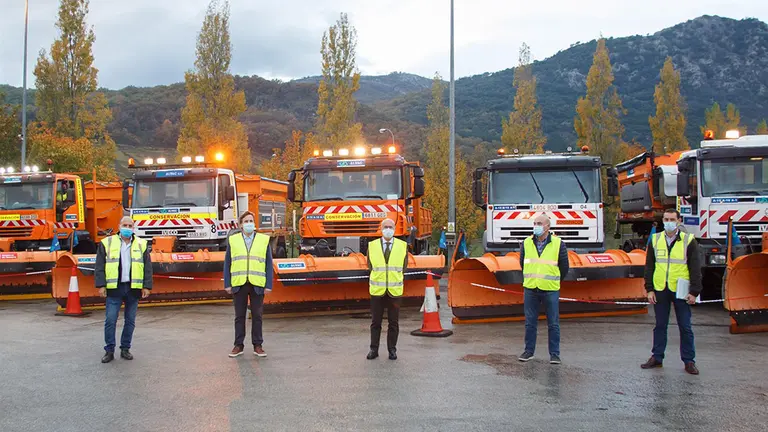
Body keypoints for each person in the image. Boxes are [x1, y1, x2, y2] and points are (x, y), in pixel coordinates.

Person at [640, 208, 701, 375]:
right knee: (660, 325)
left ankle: (689, 361)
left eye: (672, 219)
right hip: (660, 288)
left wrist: (694, 291)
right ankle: (657, 357)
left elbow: (695, 268)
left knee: (685, 326)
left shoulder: (689, 241)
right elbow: (649, 266)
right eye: (666, 219)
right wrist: (649, 289)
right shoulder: (655, 239)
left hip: (681, 289)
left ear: (679, 221)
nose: (668, 222)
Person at [94, 216, 152, 363]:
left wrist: (146, 286)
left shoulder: (141, 244)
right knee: (110, 320)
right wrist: (101, 285)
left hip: (133, 288)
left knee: (130, 321)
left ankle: (125, 349)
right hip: (115, 288)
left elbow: (147, 267)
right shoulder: (107, 243)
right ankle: (109, 350)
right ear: (119, 226)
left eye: (130, 225)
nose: (127, 228)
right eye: (124, 225)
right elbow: (99, 266)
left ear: (133, 228)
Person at [518, 214, 569, 364]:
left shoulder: (559, 244)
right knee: (530, 322)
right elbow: (523, 263)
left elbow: (564, 267)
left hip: (550, 289)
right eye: (534, 223)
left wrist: (554, 280)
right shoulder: (526, 243)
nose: (536, 226)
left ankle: (554, 354)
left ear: (548, 226)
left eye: (539, 223)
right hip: (531, 288)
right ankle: (529, 351)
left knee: (553, 323)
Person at [224, 211, 273, 358]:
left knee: (257, 315)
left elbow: (268, 264)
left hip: (257, 283)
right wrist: (227, 283)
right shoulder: (233, 240)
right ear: (240, 225)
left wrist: (268, 284)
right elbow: (228, 263)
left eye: (251, 221)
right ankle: (238, 345)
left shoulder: (263, 240)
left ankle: (258, 345)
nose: (249, 223)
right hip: (239, 283)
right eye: (246, 221)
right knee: (239, 316)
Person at [366, 218, 408, 360]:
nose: (388, 229)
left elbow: (403, 266)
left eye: (391, 227)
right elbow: (370, 265)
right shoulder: (372, 246)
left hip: (394, 292)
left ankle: (392, 350)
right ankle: (374, 349)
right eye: (386, 227)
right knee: (375, 322)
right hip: (377, 291)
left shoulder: (402, 246)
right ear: (381, 229)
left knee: (393, 323)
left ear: (394, 229)